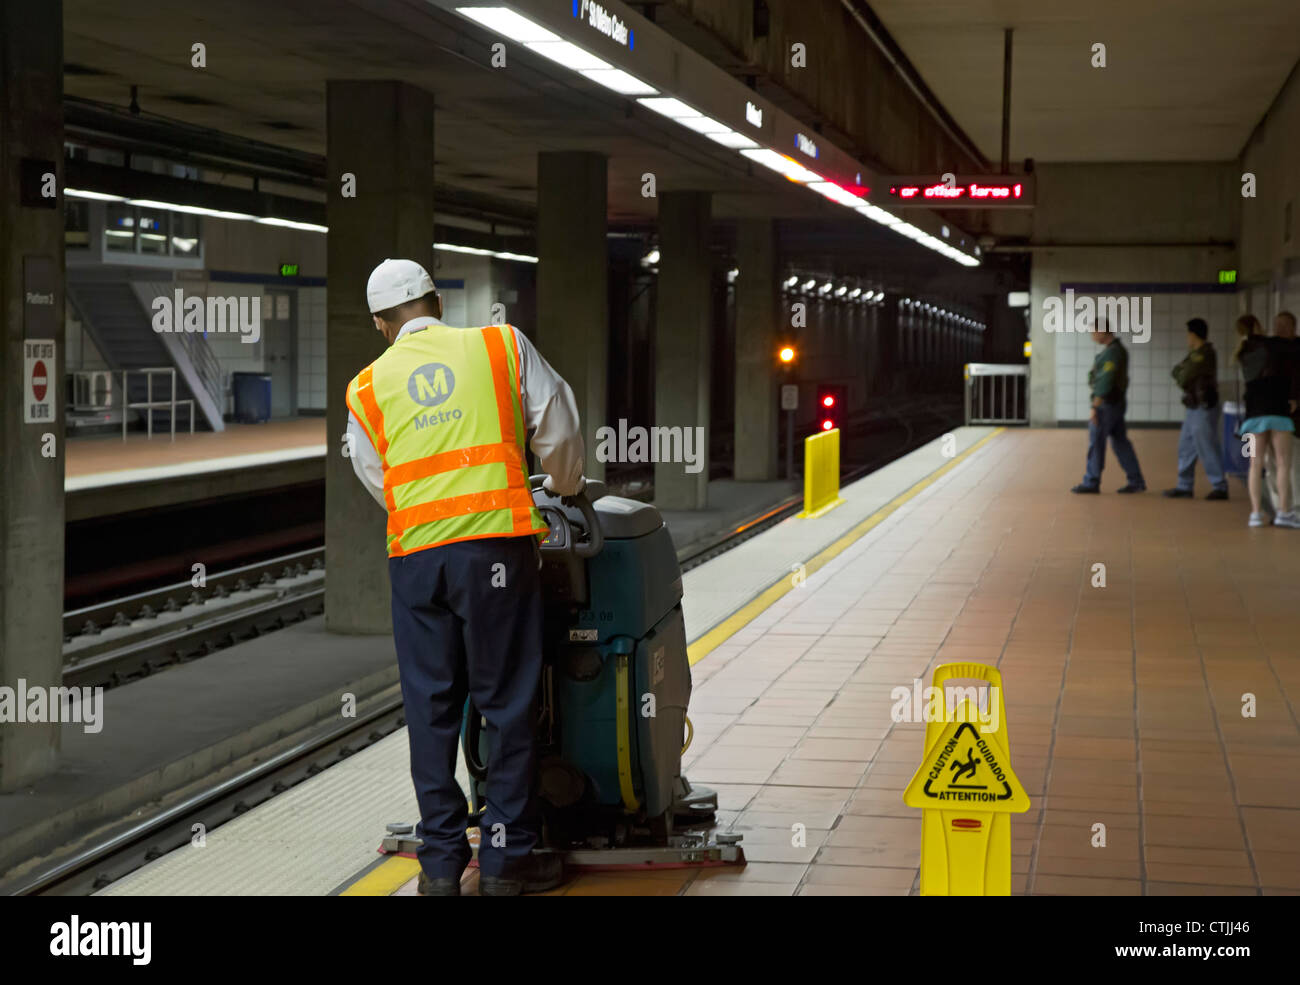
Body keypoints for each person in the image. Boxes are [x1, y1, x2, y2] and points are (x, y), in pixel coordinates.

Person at [345, 258, 586, 895]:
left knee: (431, 709)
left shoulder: (366, 387)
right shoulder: (501, 345)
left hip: (417, 561)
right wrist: (565, 486)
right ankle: (505, 861)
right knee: (505, 702)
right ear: (438, 304)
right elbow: (558, 424)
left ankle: (441, 867)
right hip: (496, 552)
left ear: (381, 324)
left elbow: (379, 480)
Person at [1233, 313, 1298, 528]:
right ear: (1258, 326)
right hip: (1278, 412)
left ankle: (1255, 513)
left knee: (1255, 464)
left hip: (1254, 415)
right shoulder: (1273, 346)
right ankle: (1283, 512)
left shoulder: (1243, 351)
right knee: (1283, 463)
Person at [1071, 317, 1146, 494]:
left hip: (1107, 405)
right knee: (1121, 443)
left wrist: (1094, 407)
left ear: (1102, 331)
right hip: (1116, 404)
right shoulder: (1115, 350)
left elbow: (1105, 382)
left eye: (1093, 332)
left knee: (1097, 442)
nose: (1092, 335)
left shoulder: (1112, 353)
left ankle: (1091, 481)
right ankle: (1136, 480)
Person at [1162, 318, 1227, 500]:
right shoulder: (1194, 354)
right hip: (1193, 406)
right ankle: (1184, 486)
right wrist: (1181, 372)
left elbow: (1183, 377)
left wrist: (1181, 373)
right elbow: (1176, 371)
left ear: (1193, 334)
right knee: (1186, 446)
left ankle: (1220, 486)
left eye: (1188, 334)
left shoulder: (1204, 354)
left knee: (1207, 446)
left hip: (1203, 406)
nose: (1187, 338)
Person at [1263, 311, 1300, 511]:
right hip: (1271, 412)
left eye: (1284, 325)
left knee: (1293, 462)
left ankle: (1295, 504)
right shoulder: (1269, 348)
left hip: (1294, 418)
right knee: (1272, 462)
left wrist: (1295, 399)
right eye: (1277, 325)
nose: (1279, 329)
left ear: (1294, 327)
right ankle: (1279, 505)